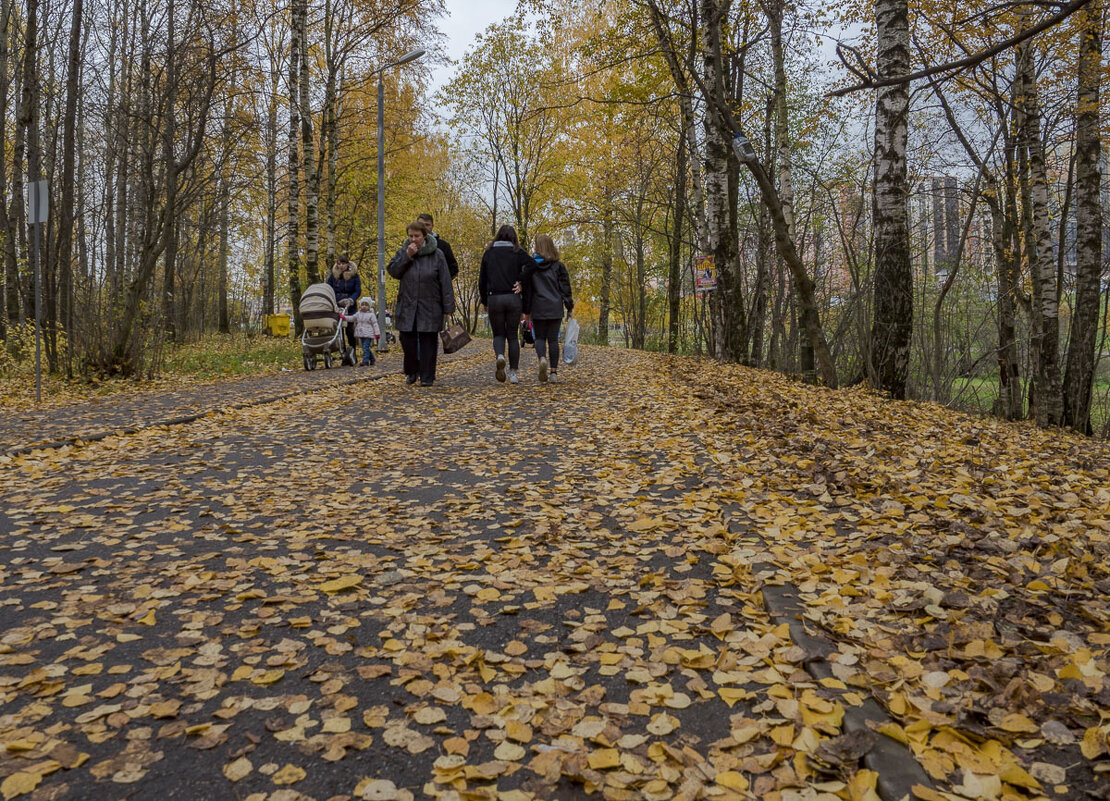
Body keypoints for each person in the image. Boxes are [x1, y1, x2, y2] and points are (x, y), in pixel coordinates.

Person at [388, 222, 455, 386]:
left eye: (416, 236)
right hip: (407, 305)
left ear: (424, 236)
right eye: (410, 236)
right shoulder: (402, 252)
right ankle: (412, 371)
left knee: (428, 342)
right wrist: (407, 256)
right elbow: (393, 271)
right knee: (407, 340)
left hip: (430, 305)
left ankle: (427, 376)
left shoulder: (437, 254)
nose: (413, 239)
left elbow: (445, 281)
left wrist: (449, 306)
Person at [478, 225, 531, 384]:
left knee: (499, 334)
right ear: (514, 237)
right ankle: (513, 373)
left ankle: (500, 356)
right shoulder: (517, 252)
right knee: (513, 336)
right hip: (513, 298)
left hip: (495, 298)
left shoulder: (489, 253)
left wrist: (485, 300)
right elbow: (533, 265)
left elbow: (482, 280)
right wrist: (520, 280)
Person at [523, 234, 574, 383]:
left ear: (537, 247)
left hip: (538, 306)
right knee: (553, 340)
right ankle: (553, 373)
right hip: (555, 307)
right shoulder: (558, 266)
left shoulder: (531, 266)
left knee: (539, 337)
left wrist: (526, 311)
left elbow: (527, 289)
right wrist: (569, 307)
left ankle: (542, 359)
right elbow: (565, 288)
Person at [327, 254, 361, 353]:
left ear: (347, 264)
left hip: (349, 306)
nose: (341, 266)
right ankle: (342, 351)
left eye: (343, 264)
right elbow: (329, 288)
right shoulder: (333, 276)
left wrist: (351, 299)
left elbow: (357, 290)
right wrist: (335, 300)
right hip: (337, 305)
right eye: (339, 264)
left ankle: (352, 350)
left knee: (349, 330)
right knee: (338, 330)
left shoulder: (354, 276)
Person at [418, 213, 459, 279]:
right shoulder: (409, 245)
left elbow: (453, 268)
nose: (424, 227)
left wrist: (441, 282)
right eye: (421, 225)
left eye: (427, 225)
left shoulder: (443, 246)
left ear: (432, 226)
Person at [352, 298, 381, 366]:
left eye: (366, 305)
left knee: (365, 347)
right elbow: (352, 318)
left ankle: (365, 361)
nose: (364, 306)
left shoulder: (371, 315)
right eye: (362, 305)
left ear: (369, 306)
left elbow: (375, 324)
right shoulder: (358, 314)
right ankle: (372, 359)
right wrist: (344, 317)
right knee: (365, 347)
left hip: (368, 334)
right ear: (360, 306)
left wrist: (377, 333)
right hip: (361, 333)